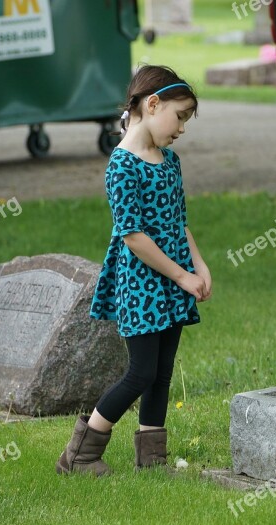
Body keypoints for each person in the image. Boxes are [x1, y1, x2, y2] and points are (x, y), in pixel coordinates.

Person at [56, 65, 211, 477]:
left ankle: (152, 460)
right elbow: (133, 237)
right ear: (153, 104)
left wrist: (198, 264)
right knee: (140, 371)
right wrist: (181, 275)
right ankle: (79, 455)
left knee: (161, 372)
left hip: (175, 278)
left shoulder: (170, 161)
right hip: (144, 283)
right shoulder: (122, 166)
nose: (181, 129)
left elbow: (179, 221)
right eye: (179, 116)